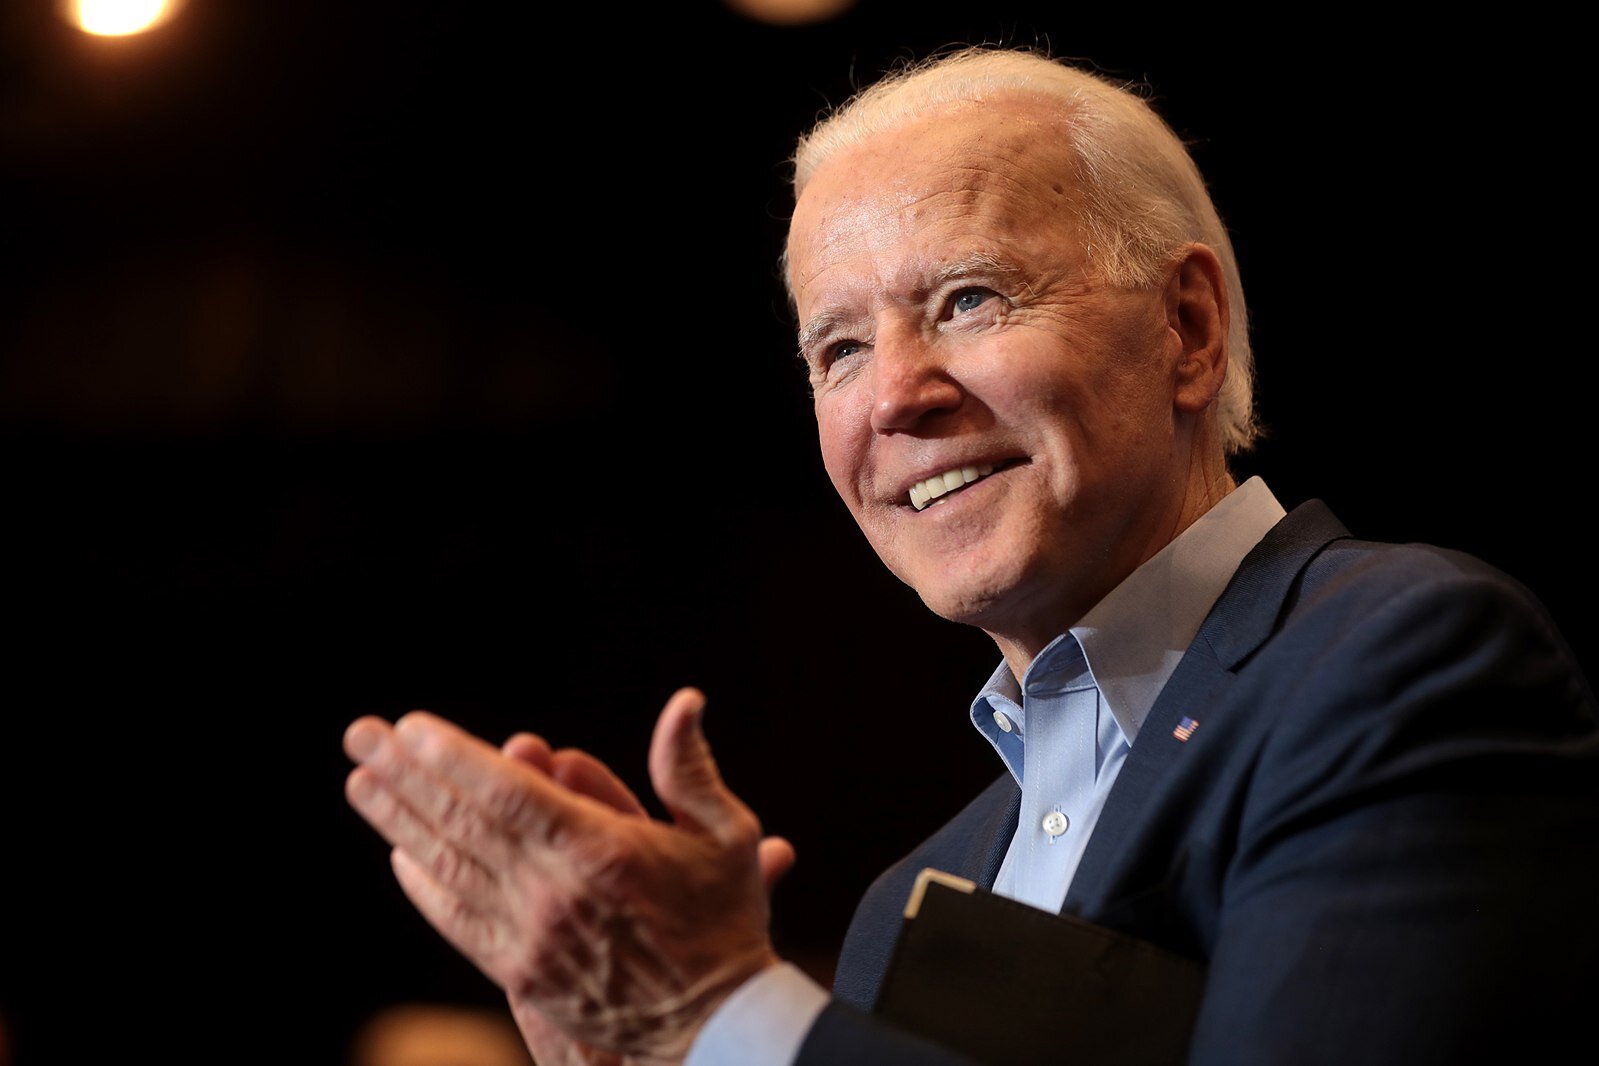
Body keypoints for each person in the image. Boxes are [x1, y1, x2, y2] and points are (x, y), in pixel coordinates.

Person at [342, 46, 1599, 1065]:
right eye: (837, 348)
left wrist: (725, 1009)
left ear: (1188, 327)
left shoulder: (1395, 659)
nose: (895, 396)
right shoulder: (916, 892)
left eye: (969, 301)